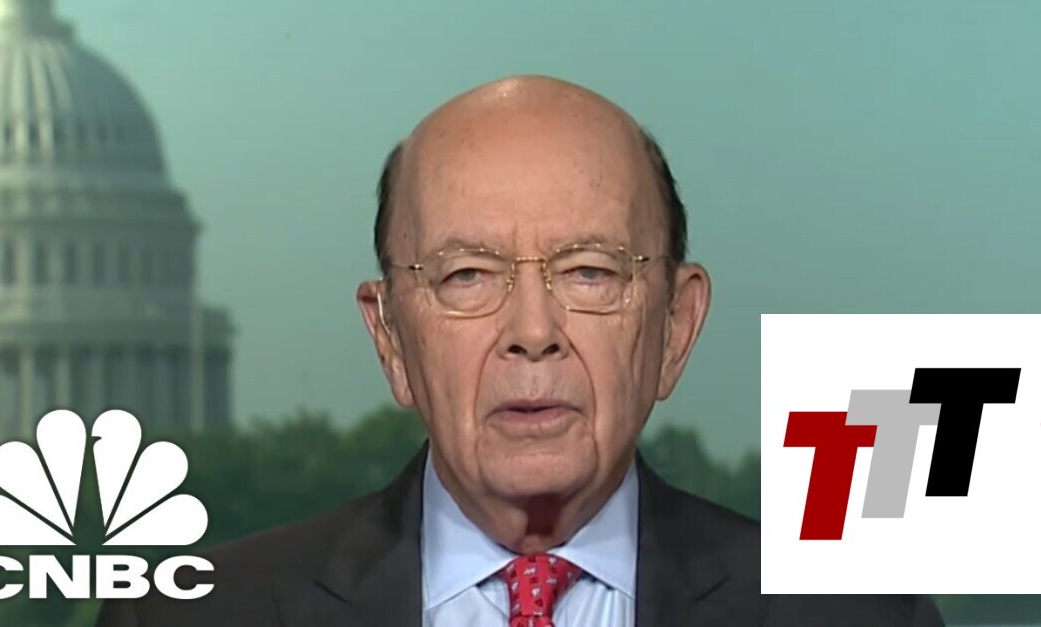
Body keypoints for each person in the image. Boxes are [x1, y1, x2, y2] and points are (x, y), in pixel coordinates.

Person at [96, 75, 945, 626]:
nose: (532, 330)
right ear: (389, 337)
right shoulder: (191, 615)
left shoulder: (858, 615)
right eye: (466, 274)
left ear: (675, 327)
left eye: (589, 271)